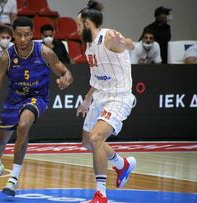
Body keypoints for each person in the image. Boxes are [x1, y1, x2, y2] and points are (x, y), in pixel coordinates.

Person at [0, 17, 73, 196]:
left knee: (24, 124)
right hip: (14, 100)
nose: (23, 39)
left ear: (32, 34)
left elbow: (65, 71)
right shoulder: (6, 58)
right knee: (1, 139)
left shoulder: (44, 52)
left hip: (37, 97)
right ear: (13, 36)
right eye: (19, 35)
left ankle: (14, 179)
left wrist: (66, 78)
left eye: (27, 35)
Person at [76, 1, 136, 202]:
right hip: (101, 96)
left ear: (86, 24)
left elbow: (130, 44)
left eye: (78, 25)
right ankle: (122, 164)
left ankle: (100, 193)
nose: (76, 30)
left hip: (119, 97)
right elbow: (98, 77)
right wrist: (87, 99)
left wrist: (124, 41)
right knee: (87, 142)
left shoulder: (108, 37)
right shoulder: (89, 47)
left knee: (95, 138)